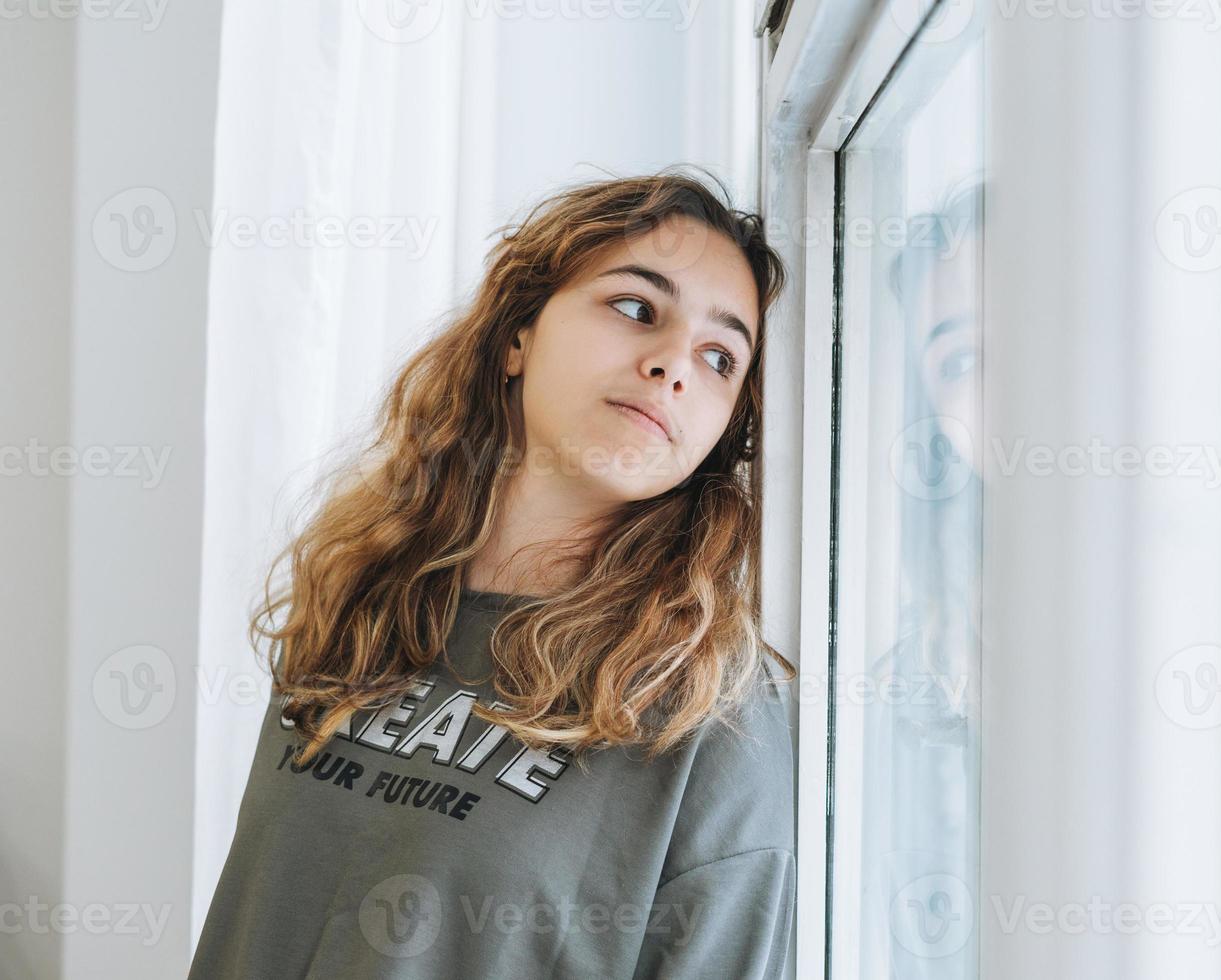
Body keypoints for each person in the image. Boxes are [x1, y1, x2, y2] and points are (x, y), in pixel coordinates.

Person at [187, 168, 799, 979]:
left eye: (720, 356)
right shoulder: (362, 593)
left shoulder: (707, 712)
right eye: (635, 308)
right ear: (520, 335)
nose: (673, 365)